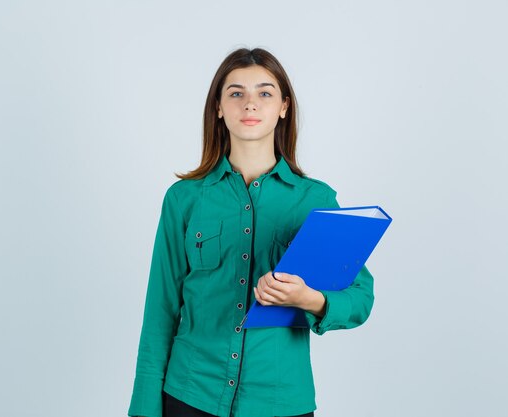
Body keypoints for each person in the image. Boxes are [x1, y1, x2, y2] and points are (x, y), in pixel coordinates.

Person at [127, 47, 374, 417]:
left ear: (284, 107)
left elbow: (360, 297)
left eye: (264, 93)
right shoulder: (184, 199)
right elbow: (160, 312)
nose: (250, 105)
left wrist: (310, 299)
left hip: (279, 401)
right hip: (190, 394)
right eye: (236, 93)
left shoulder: (315, 200)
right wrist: (144, 409)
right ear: (219, 108)